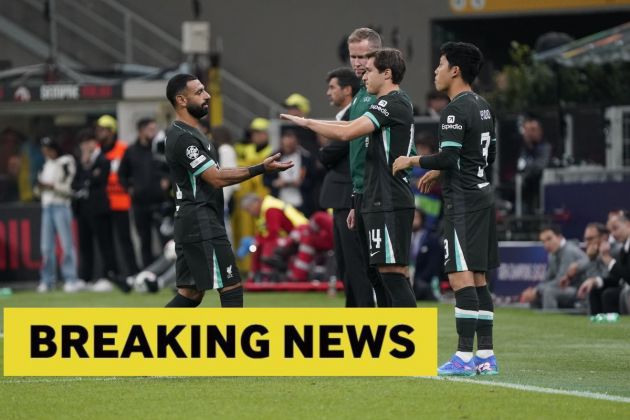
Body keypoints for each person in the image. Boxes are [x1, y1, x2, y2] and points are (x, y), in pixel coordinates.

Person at [392, 42, 499, 375]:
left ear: (455, 70)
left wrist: (414, 160)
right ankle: (486, 356)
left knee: (460, 277)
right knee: (479, 279)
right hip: (482, 195)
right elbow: (486, 156)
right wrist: (440, 170)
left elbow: (450, 156)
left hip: (463, 203)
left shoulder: (454, 109)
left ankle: (464, 357)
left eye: (440, 64)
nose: (435, 71)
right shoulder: (483, 106)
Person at [282, 48, 417, 308]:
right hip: (376, 198)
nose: (363, 77)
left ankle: (411, 342)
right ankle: (391, 338)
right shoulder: (382, 105)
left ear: (386, 74)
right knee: (381, 273)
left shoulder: (394, 102)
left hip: (390, 198)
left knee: (393, 274)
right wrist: (359, 199)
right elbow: (347, 127)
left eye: (369, 71)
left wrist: (307, 123)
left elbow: (347, 133)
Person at [162, 74, 292, 308]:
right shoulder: (182, 138)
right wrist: (261, 168)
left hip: (196, 219)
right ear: (181, 100)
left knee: (191, 293)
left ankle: (148, 336)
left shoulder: (195, 134)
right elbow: (215, 178)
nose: (208, 96)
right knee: (231, 285)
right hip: (200, 221)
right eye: (199, 92)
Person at [342, 27, 390, 307]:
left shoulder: (385, 96)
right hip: (362, 195)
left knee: (388, 272)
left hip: (381, 195)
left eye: (364, 56)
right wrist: (354, 199)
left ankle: (402, 335)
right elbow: (359, 156)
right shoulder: (361, 93)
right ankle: (384, 334)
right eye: (353, 57)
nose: (358, 62)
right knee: (372, 272)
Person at [319, 67, 374, 307]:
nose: (328, 92)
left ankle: (363, 316)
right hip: (340, 199)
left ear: (347, 89)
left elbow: (330, 152)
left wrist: (326, 151)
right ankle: (355, 314)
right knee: (346, 265)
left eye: (332, 87)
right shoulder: (345, 117)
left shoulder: (356, 115)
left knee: (355, 263)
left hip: (348, 198)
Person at [118, 117, 170, 267]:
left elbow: (172, 169)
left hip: (160, 203)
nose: (153, 133)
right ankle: (148, 272)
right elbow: (122, 174)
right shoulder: (131, 151)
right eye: (150, 129)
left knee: (166, 240)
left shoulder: (161, 149)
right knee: (144, 240)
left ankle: (168, 273)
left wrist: (167, 180)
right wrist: (129, 187)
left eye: (155, 129)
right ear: (141, 131)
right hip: (139, 204)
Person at [72, 128, 119, 288]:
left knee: (105, 243)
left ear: (94, 143)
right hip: (83, 208)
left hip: (99, 208)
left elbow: (98, 180)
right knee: (85, 245)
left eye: (88, 142)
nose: (86, 146)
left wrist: (87, 170)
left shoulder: (103, 160)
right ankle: (85, 278)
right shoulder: (80, 162)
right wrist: (86, 170)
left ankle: (109, 276)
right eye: (83, 143)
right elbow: (76, 183)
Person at [36, 137, 81, 292]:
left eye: (48, 149)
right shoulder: (46, 165)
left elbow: (69, 187)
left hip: (61, 205)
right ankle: (47, 280)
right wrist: (41, 188)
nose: (46, 153)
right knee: (46, 247)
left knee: (67, 245)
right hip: (47, 206)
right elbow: (39, 189)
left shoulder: (66, 161)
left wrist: (52, 186)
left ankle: (70, 279)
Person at [95, 114, 139, 276]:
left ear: (111, 131)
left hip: (121, 201)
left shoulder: (123, 149)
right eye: (98, 130)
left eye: (102, 130)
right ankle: (112, 274)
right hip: (103, 202)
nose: (99, 133)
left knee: (125, 240)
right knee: (106, 241)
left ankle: (133, 272)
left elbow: (128, 173)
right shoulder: (96, 151)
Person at [520, 225, 588, 310]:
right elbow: (548, 278)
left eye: (549, 239)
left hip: (580, 290)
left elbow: (560, 281)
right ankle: (537, 322)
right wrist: (534, 290)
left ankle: (550, 321)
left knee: (549, 292)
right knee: (537, 294)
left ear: (559, 237)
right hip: (566, 289)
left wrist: (537, 291)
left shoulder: (569, 251)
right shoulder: (552, 254)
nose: (546, 244)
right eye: (543, 241)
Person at [578, 211, 630, 314]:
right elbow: (617, 278)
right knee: (596, 290)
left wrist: (607, 259)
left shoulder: (616, 249)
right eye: (611, 231)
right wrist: (596, 281)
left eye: (616, 228)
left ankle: (613, 327)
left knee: (609, 294)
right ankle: (597, 326)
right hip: (623, 288)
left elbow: (626, 276)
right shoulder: (624, 248)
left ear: (628, 224)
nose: (614, 234)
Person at [264, 130, 316, 216]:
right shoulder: (273, 158)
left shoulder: (306, 158)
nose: (288, 147)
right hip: (280, 202)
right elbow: (265, 180)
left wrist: (301, 183)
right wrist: (275, 183)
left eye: (291, 145)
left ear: (297, 143)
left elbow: (313, 180)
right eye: (286, 145)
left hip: (301, 203)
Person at [516, 115, 552, 214]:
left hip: (541, 194)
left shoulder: (545, 147)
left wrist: (527, 171)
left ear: (540, 131)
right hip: (523, 194)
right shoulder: (524, 149)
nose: (529, 133)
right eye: (527, 130)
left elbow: (540, 167)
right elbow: (519, 167)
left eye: (533, 130)